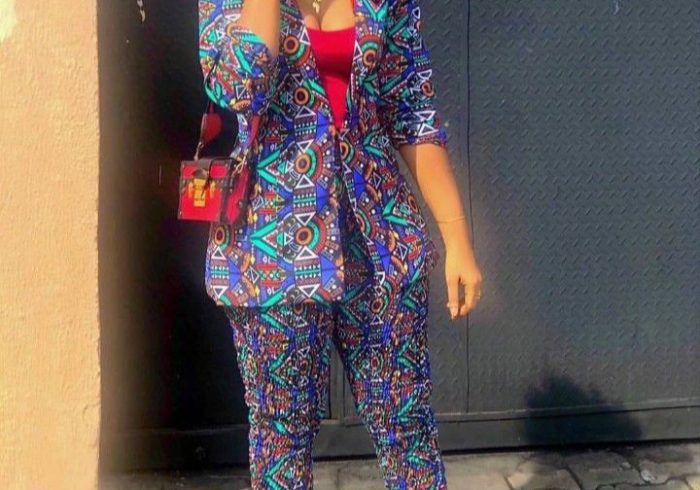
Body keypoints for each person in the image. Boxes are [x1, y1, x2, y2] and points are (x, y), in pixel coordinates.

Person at [198, 0, 483, 487]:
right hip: (271, 251)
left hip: (381, 243)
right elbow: (239, 87)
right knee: (281, 445)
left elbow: (412, 110)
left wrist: (457, 238)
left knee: (408, 431)